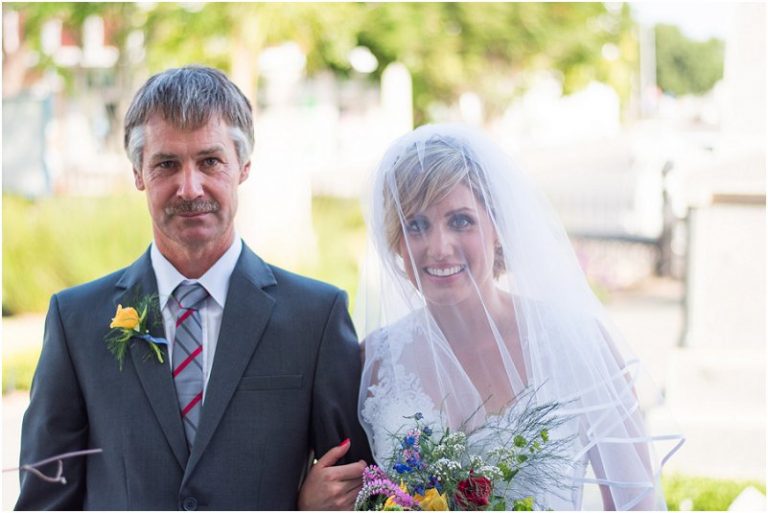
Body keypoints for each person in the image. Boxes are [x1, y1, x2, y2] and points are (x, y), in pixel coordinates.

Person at [16, 65, 371, 510]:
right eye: (167, 164)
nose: (189, 187)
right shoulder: (77, 322)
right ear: (138, 173)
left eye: (209, 161)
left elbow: (361, 490)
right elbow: (44, 501)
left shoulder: (315, 318)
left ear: (243, 167)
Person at [357, 124, 684, 510]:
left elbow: (636, 503)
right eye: (416, 225)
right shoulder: (376, 361)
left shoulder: (575, 342)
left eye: (460, 221)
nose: (439, 247)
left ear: (497, 227)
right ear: (396, 239)